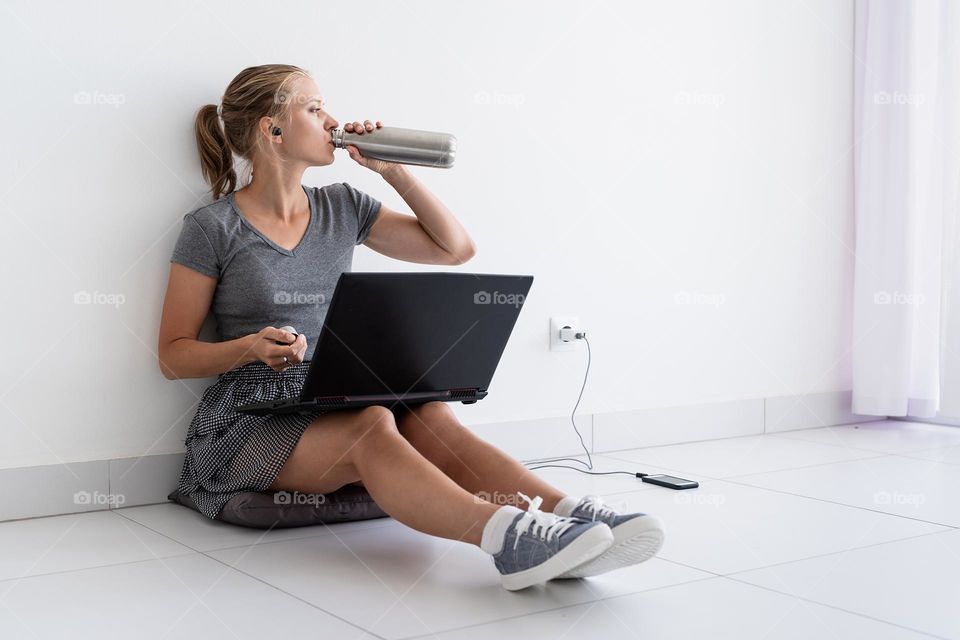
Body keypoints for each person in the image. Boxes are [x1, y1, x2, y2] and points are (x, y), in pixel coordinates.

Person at [158, 64, 664, 590]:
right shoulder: (212, 228)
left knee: (431, 414)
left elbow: (455, 250)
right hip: (252, 415)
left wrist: (392, 170)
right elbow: (173, 356)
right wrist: (249, 348)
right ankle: (507, 540)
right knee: (374, 423)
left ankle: (575, 514)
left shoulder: (342, 206)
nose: (332, 118)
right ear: (272, 129)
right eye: (314, 108)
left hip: (332, 390)